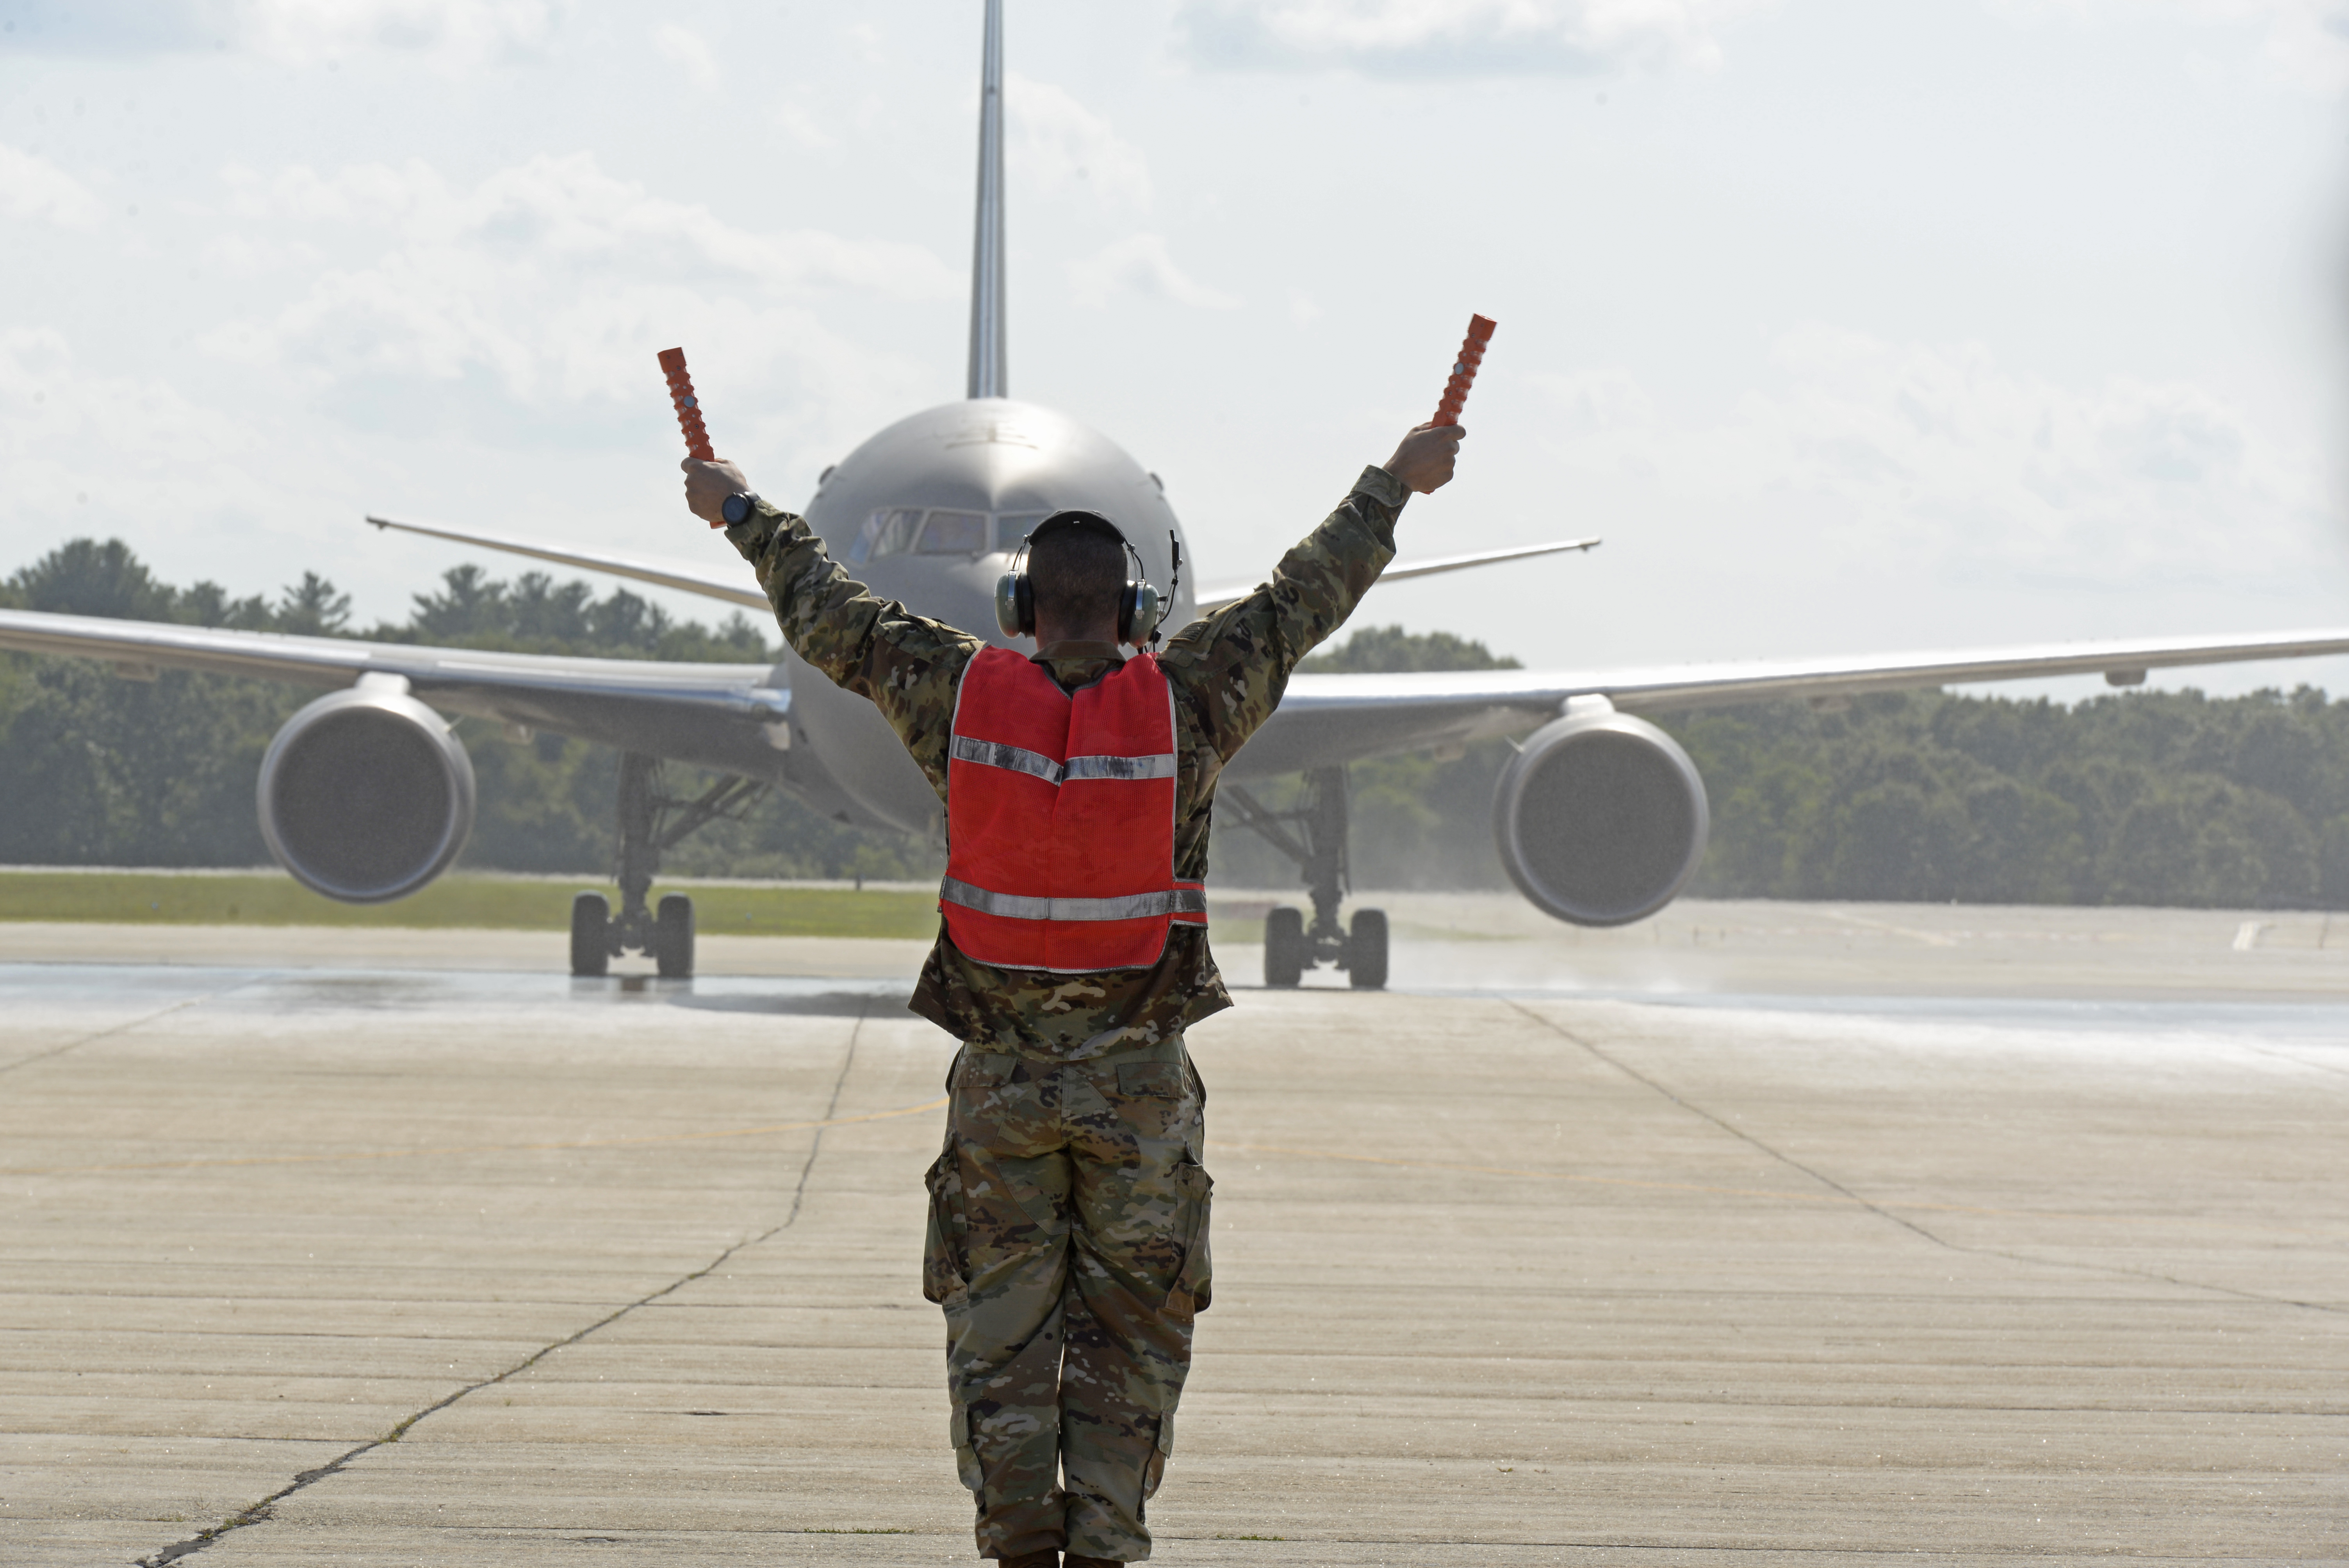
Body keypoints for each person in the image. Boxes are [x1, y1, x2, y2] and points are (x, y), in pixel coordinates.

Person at [683, 420, 1465, 1566]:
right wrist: (1398, 482)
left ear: (1018, 609)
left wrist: (741, 511)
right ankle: (1108, 1538)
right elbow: (1307, 594)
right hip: (1141, 1090)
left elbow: (827, 613)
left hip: (1002, 1085)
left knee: (998, 1335)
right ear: (1141, 613)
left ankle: (1016, 1541)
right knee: (1133, 1338)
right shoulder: (1191, 700)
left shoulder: (953, 694)